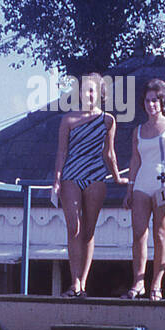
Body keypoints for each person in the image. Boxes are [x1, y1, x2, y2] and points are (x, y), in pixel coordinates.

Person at [52, 72, 124, 298]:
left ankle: (83, 282)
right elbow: (62, 151)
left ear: (99, 93)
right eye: (84, 90)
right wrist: (56, 180)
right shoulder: (69, 120)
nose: (88, 94)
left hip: (96, 175)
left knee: (89, 231)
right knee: (74, 227)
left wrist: (118, 177)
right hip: (71, 174)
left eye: (92, 90)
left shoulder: (107, 120)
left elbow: (109, 153)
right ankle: (74, 281)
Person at [122, 78, 165, 301]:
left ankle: (156, 284)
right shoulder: (138, 130)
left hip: (164, 183)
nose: (151, 105)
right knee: (139, 233)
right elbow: (135, 160)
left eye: (156, 100)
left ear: (163, 102)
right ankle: (138, 282)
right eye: (148, 101)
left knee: (160, 233)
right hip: (142, 183)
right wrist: (129, 188)